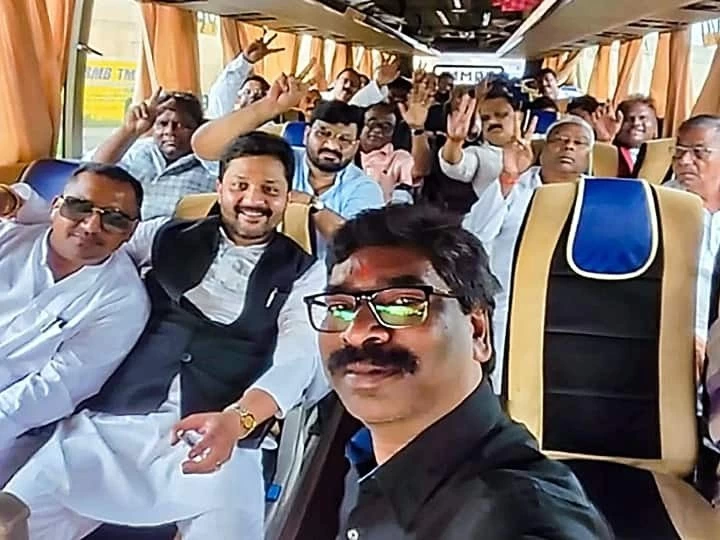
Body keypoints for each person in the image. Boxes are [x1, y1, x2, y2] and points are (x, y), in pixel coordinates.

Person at [4, 132, 327, 540]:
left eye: (270, 190)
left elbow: (298, 358)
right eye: (240, 186)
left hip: (218, 428)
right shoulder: (164, 235)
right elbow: (92, 233)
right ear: (219, 188)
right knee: (11, 517)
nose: (253, 200)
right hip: (113, 421)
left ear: (288, 197)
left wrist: (239, 420)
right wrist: (20, 204)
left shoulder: (305, 272)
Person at [303, 204, 613, 539]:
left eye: (403, 303)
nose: (357, 331)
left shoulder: (520, 517)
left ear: (478, 332)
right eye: (341, 308)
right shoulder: (369, 458)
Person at [0, 163, 150, 485]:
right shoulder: (9, 238)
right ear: (56, 206)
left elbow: (55, 389)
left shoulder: (124, 301)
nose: (92, 225)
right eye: (79, 207)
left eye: (114, 218)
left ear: (130, 231)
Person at [463, 116, 593, 392]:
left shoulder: (600, 199)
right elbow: (474, 235)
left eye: (578, 143)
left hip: (576, 312)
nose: (568, 147)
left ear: (589, 154)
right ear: (542, 149)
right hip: (510, 308)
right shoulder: (513, 186)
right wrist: (508, 177)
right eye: (559, 140)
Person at [192, 72, 384, 259]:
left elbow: (359, 249)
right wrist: (269, 107)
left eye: (344, 139)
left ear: (356, 146)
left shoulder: (365, 188)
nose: (332, 145)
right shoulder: (279, 159)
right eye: (323, 133)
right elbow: (204, 147)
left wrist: (312, 206)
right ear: (306, 134)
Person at [87, 88, 213, 219]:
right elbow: (94, 170)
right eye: (163, 124)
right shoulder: (138, 151)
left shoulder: (209, 165)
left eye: (182, 125)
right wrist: (130, 130)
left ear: (197, 129)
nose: (170, 131)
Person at [665, 115, 720, 380]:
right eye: (679, 152)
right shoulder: (658, 207)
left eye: (699, 152)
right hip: (672, 338)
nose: (685, 161)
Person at [358, 88, 433, 203]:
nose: (378, 130)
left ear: (393, 132)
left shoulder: (398, 158)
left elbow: (420, 170)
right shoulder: (347, 152)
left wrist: (417, 128)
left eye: (386, 127)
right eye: (372, 123)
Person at [205, 29, 284, 119]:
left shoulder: (272, 126)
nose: (252, 96)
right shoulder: (225, 122)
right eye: (247, 92)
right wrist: (246, 60)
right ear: (237, 98)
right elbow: (222, 93)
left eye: (259, 94)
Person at [592, 96, 658, 177]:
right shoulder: (606, 152)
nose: (636, 123)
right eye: (628, 119)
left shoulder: (666, 157)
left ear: (655, 127)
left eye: (642, 118)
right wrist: (604, 140)